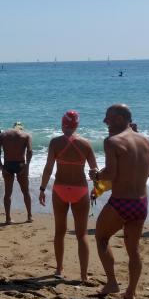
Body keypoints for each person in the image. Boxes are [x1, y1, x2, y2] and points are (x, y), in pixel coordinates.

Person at [90, 104, 149, 299]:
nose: (105, 121)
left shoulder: (112, 142)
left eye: (108, 118)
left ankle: (112, 282)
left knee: (101, 237)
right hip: (141, 203)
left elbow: (111, 173)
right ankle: (131, 293)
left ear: (119, 119)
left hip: (120, 202)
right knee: (133, 250)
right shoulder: (146, 141)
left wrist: (97, 175)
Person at [39, 111, 98, 281]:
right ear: (77, 125)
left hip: (60, 189)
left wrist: (42, 188)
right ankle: (83, 275)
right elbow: (95, 172)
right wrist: (97, 190)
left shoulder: (55, 142)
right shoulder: (85, 144)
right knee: (82, 234)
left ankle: (59, 270)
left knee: (59, 232)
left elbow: (48, 168)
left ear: (62, 124)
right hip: (80, 189)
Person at [0, 122, 34, 224]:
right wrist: (27, 165)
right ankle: (29, 216)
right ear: (21, 128)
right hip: (20, 165)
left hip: (8, 165)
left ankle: (8, 218)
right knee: (26, 192)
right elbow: (30, 151)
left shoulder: (3, 134)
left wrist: (1, 166)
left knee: (8, 193)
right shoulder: (26, 135)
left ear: (13, 127)